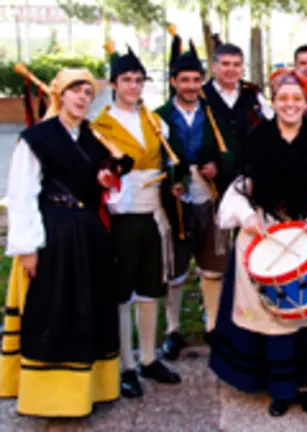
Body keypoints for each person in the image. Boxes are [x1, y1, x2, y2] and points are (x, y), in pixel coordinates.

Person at [208, 69, 307, 417]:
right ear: (274, 103)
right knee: (273, 317)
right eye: (283, 99)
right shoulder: (257, 141)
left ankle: (306, 386)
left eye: (296, 99)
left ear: (306, 104)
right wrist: (246, 217)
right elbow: (236, 192)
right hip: (267, 236)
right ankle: (280, 389)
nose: (290, 105)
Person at [0, 68, 132, 417]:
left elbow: (116, 198)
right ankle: (52, 399)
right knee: (54, 310)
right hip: (54, 236)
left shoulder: (96, 139)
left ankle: (92, 389)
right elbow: (22, 193)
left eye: (88, 92)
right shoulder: (37, 138)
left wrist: (108, 183)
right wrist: (28, 246)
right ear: (59, 94)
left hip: (89, 235)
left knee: (91, 308)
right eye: (75, 90)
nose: (82, 98)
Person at [91, 47, 183, 398]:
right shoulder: (99, 126)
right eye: (126, 80)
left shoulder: (156, 121)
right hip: (121, 216)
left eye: (139, 80)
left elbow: (167, 164)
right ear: (114, 83)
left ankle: (148, 358)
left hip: (153, 212)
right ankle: (125, 364)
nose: (133, 86)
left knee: (151, 286)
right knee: (122, 291)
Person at [155, 43, 230, 360]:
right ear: (173, 82)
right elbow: (152, 159)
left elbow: (230, 152)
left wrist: (218, 167)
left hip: (209, 198)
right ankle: (172, 330)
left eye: (195, 80)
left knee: (213, 265)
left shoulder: (215, 115)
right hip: (175, 204)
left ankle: (212, 325)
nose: (190, 86)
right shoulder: (158, 117)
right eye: (184, 80)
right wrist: (167, 180)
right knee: (175, 269)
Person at [202, 41, 273, 178]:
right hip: (213, 175)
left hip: (250, 172)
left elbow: (271, 125)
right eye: (225, 64)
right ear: (214, 67)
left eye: (236, 64)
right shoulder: (202, 95)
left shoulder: (253, 94)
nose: (231, 69)